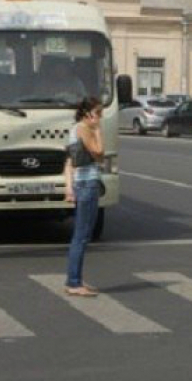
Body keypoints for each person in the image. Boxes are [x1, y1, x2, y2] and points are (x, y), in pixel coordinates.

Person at [64, 96, 104, 297]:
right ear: (88, 113)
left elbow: (69, 163)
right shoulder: (84, 129)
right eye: (98, 113)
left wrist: (69, 188)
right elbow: (99, 151)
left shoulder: (75, 129)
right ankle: (73, 282)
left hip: (83, 184)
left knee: (82, 235)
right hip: (87, 184)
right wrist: (97, 131)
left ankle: (76, 280)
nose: (100, 118)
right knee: (81, 236)